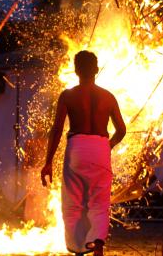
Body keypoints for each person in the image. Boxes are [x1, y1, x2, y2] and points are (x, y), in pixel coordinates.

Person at [40, 50, 126, 256]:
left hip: (77, 149)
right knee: (100, 202)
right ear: (96, 70)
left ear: (76, 70)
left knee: (73, 202)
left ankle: (79, 249)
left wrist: (48, 162)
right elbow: (121, 130)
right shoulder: (108, 97)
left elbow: (57, 129)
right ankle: (96, 244)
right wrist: (108, 146)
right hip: (100, 148)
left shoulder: (68, 95)